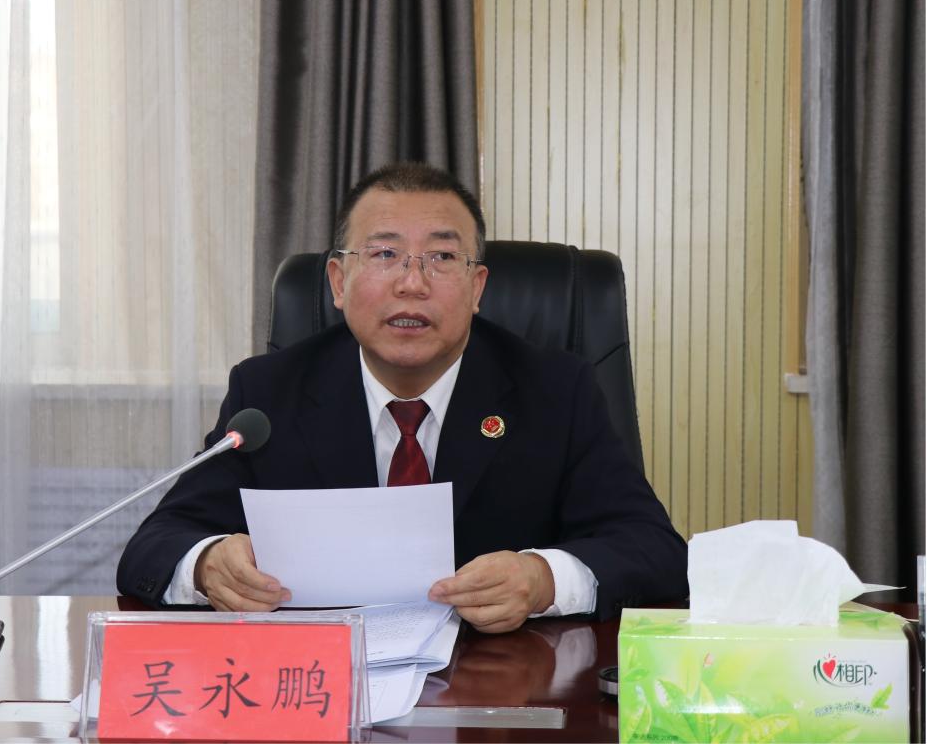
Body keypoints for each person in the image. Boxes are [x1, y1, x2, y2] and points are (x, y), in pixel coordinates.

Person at [117, 162, 688, 633]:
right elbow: (156, 545)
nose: (412, 283)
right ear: (338, 283)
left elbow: (655, 550)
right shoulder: (267, 395)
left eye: (442, 258)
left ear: (477, 287)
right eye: (384, 254)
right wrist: (208, 565)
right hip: (325, 689)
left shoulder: (556, 391)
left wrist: (544, 579)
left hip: (503, 689)